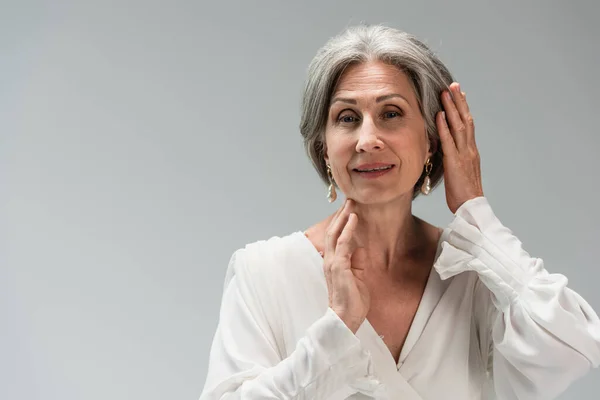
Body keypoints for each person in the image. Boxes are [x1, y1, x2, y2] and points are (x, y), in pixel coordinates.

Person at [199, 24, 600, 399]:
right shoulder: (263, 273)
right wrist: (337, 330)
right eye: (347, 118)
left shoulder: (474, 277)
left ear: (431, 140)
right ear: (323, 147)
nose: (367, 139)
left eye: (391, 114)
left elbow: (573, 352)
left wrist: (477, 217)